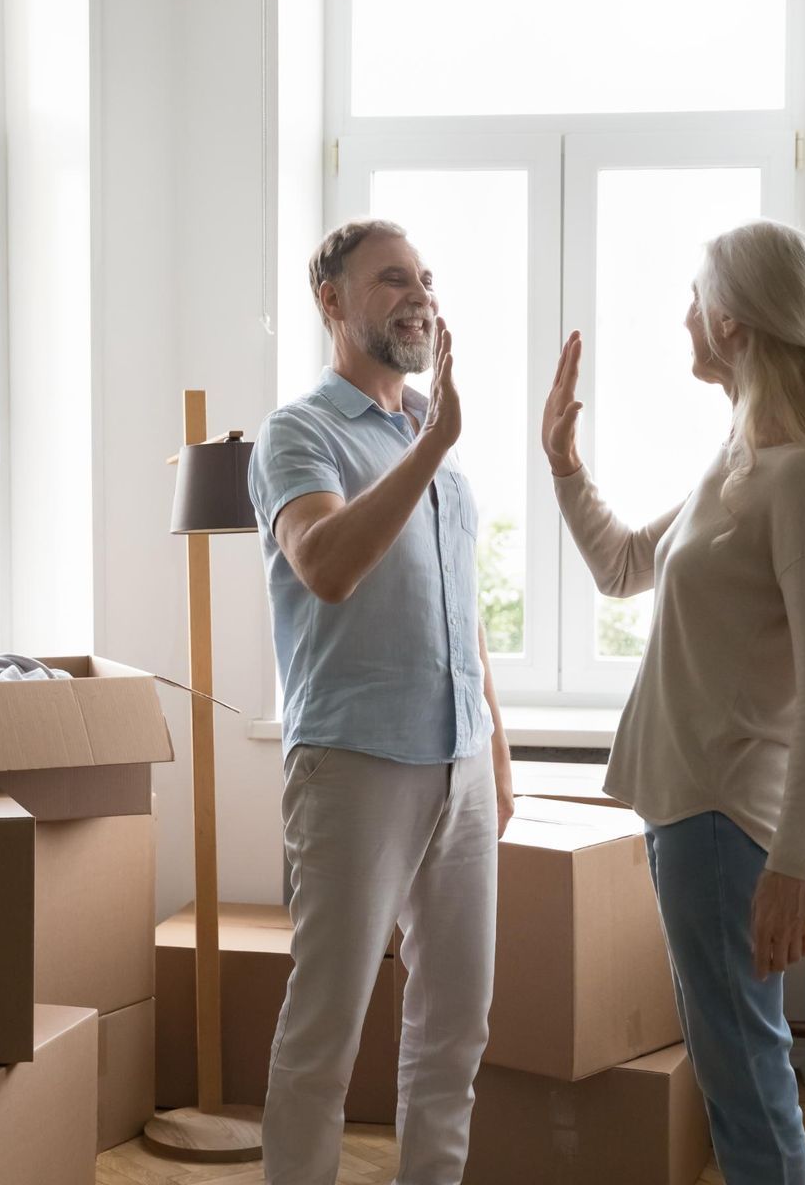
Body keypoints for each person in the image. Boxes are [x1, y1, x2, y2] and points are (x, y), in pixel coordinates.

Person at [540, 219, 805, 1185]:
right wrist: (565, 466)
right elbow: (620, 567)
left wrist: (796, 865)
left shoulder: (800, 479)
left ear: (730, 321)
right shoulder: (738, 462)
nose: (683, 314)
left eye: (695, 296)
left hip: (724, 824)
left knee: (744, 1074)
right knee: (741, 1063)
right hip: (689, 813)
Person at [248, 219, 515, 1185]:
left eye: (426, 280)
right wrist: (434, 443)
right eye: (392, 279)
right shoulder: (299, 433)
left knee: (454, 1033)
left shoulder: (431, 447)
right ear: (332, 300)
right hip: (353, 764)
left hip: (462, 769)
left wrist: (497, 748)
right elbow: (323, 564)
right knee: (324, 1035)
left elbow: (460, 602)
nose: (419, 295)